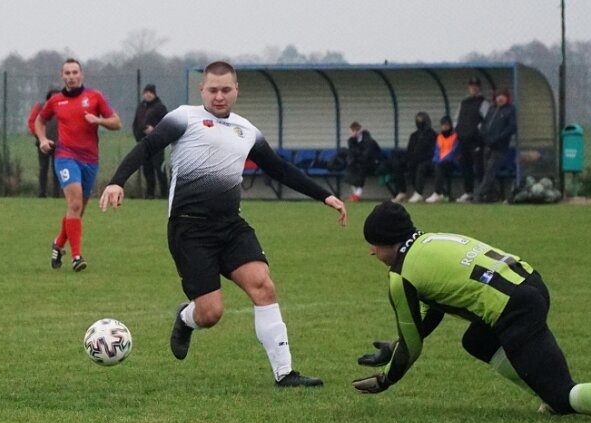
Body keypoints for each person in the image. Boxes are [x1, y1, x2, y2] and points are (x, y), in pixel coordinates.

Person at [99, 61, 348, 387]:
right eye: (213, 90)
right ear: (202, 90)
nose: (219, 96)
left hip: (231, 226)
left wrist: (324, 196)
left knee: (264, 285)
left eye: (226, 90)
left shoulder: (247, 130)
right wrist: (117, 181)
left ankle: (285, 374)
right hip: (189, 229)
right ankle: (186, 318)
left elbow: (279, 169)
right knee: (211, 313)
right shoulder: (183, 118)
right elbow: (147, 147)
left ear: (236, 91)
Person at [351, 201, 591, 423]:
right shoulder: (433, 239)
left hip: (513, 310)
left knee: (564, 395)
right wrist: (395, 346)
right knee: (476, 341)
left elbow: (412, 347)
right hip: (531, 284)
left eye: (374, 245)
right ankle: (547, 392)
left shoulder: (401, 275)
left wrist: (386, 379)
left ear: (390, 242)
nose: (370, 252)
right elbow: (434, 311)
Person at [35, 58, 122, 272]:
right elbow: (40, 121)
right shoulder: (55, 101)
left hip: (90, 159)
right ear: (62, 76)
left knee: (78, 210)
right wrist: (43, 140)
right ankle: (76, 256)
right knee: (74, 204)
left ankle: (58, 244)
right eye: (67, 73)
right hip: (65, 156)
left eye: (75, 72)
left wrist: (99, 120)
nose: (71, 77)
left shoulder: (94, 97)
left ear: (81, 75)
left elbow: (117, 123)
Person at [477, 88, 516, 203]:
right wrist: (484, 136)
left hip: (500, 147)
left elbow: (511, 128)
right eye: (498, 96)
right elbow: (484, 124)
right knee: (487, 171)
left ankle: (480, 193)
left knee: (490, 170)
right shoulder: (492, 109)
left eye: (502, 95)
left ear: (507, 97)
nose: (500, 98)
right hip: (487, 145)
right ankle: (492, 196)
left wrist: (497, 138)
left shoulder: (510, 110)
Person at [453, 77, 489, 203]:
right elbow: (456, 119)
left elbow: (487, 121)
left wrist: (478, 131)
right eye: (472, 86)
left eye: (476, 86)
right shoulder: (463, 103)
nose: (474, 88)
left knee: (479, 167)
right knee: (465, 166)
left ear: (479, 88)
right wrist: (457, 130)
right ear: (468, 88)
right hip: (463, 140)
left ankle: (481, 192)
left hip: (476, 141)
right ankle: (468, 192)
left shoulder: (483, 103)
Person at [132, 84, 169, 199]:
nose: (148, 94)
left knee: (159, 168)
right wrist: (138, 135)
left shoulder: (160, 107)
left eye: (150, 92)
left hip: (157, 143)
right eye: (146, 92)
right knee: (147, 169)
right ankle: (150, 193)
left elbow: (166, 123)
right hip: (143, 143)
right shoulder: (141, 107)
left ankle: (164, 194)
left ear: (154, 94)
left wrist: (154, 130)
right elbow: (136, 123)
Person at [391, 112, 436, 204]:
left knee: (417, 166)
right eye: (417, 120)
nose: (419, 123)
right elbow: (409, 151)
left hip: (426, 161)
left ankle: (418, 192)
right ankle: (402, 192)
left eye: (421, 120)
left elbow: (432, 152)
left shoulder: (432, 135)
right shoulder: (414, 136)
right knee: (398, 165)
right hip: (412, 160)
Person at [27, 88, 61, 198]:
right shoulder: (40, 107)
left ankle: (57, 194)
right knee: (43, 169)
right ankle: (42, 193)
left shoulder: (63, 107)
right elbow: (32, 121)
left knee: (57, 170)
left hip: (59, 144)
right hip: (42, 143)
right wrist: (40, 136)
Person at [344, 122, 381, 202]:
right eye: (352, 131)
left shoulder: (369, 141)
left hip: (371, 164)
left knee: (361, 170)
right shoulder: (352, 141)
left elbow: (366, 156)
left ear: (359, 131)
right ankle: (355, 195)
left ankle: (357, 195)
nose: (354, 133)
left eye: (356, 130)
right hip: (358, 163)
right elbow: (352, 153)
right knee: (351, 169)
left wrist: (356, 158)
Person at [425, 116, 459, 203]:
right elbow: (437, 151)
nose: (444, 127)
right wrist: (436, 160)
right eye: (443, 125)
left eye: (446, 125)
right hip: (440, 162)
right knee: (426, 166)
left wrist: (442, 160)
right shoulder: (439, 137)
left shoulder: (455, 137)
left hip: (451, 162)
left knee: (439, 167)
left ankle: (438, 192)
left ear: (450, 126)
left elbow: (453, 152)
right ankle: (443, 194)